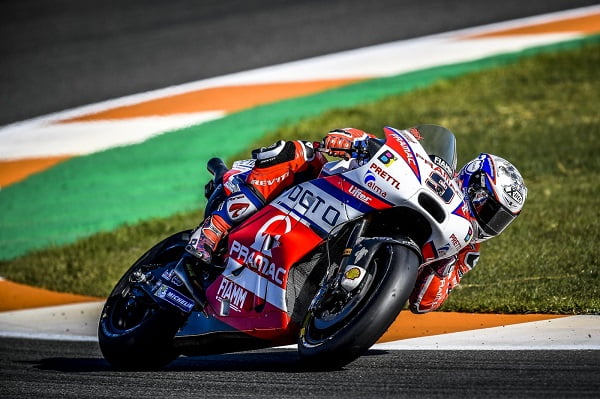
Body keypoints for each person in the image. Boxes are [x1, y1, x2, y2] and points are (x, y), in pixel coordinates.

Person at [185, 126, 527, 313]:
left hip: (374, 252)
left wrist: (447, 268)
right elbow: (395, 148)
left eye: (500, 220)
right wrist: (359, 141)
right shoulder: (437, 170)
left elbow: (424, 303)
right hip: (337, 190)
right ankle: (213, 230)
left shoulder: (463, 248)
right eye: (490, 210)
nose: (490, 222)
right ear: (475, 184)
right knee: (300, 154)